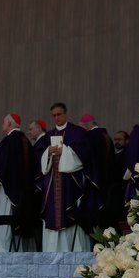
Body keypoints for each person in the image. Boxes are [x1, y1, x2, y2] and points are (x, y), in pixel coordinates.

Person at [0, 113, 39, 252]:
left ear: (9, 124)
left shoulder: (8, 141)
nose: (2, 125)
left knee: (5, 220)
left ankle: (6, 248)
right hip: (24, 193)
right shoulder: (25, 141)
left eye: (4, 122)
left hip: (8, 192)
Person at [39, 102, 90, 251]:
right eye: (54, 115)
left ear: (66, 114)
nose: (56, 118)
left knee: (69, 215)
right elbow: (39, 157)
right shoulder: (48, 135)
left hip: (69, 183)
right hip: (52, 185)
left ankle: (73, 250)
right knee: (52, 215)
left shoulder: (77, 132)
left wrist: (65, 151)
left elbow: (84, 154)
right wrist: (48, 152)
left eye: (59, 114)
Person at [78, 114, 114, 232]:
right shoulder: (106, 136)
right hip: (107, 182)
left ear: (85, 126)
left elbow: (84, 159)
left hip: (93, 183)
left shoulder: (90, 137)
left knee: (92, 217)